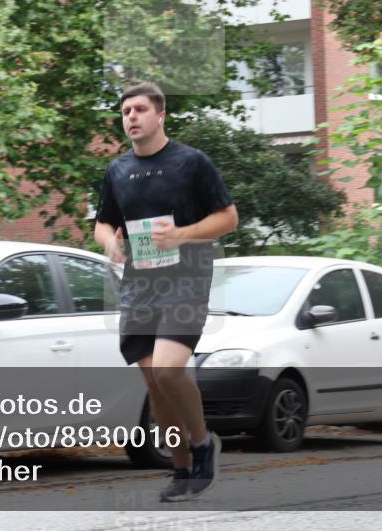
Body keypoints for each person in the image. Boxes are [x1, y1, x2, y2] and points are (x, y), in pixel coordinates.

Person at [94, 82, 239, 501]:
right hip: (140, 285)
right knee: (155, 386)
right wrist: (109, 242)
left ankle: (202, 443)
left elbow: (228, 218)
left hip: (187, 280)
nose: (131, 117)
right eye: (125, 112)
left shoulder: (192, 163)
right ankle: (180, 470)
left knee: (167, 371)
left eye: (140, 109)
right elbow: (103, 221)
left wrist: (182, 235)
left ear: (160, 116)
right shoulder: (117, 170)